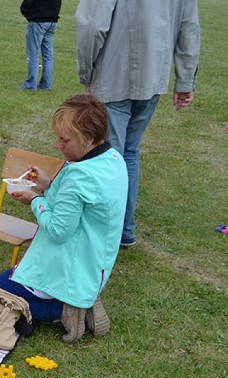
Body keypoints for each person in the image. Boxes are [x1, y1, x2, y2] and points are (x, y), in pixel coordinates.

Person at [0, 94, 127, 343]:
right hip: (93, 264)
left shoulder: (80, 175)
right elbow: (79, 204)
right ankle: (72, 302)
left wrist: (35, 201)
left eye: (65, 139)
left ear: (90, 139)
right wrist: (48, 186)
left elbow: (58, 231)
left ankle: (66, 310)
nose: (57, 145)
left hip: (64, 266)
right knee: (1, 292)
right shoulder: (114, 159)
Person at [75, 0, 200, 248]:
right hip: (151, 76)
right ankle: (122, 229)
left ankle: (108, 231)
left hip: (114, 76)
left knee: (109, 156)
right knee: (126, 152)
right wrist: (185, 80)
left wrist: (86, 72)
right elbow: (189, 29)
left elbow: (91, 26)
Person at [19, 0, 60, 91]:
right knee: (48, 54)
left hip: (38, 19)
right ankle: (46, 83)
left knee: (33, 53)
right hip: (52, 20)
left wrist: (24, 10)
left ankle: (31, 84)